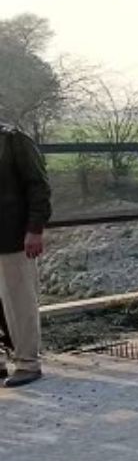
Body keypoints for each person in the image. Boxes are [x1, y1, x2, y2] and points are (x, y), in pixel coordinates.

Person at [0, 122, 51, 387]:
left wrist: (34, 229)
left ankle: (27, 363)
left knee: (19, 302)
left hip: (12, 237)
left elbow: (38, 186)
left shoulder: (13, 140)